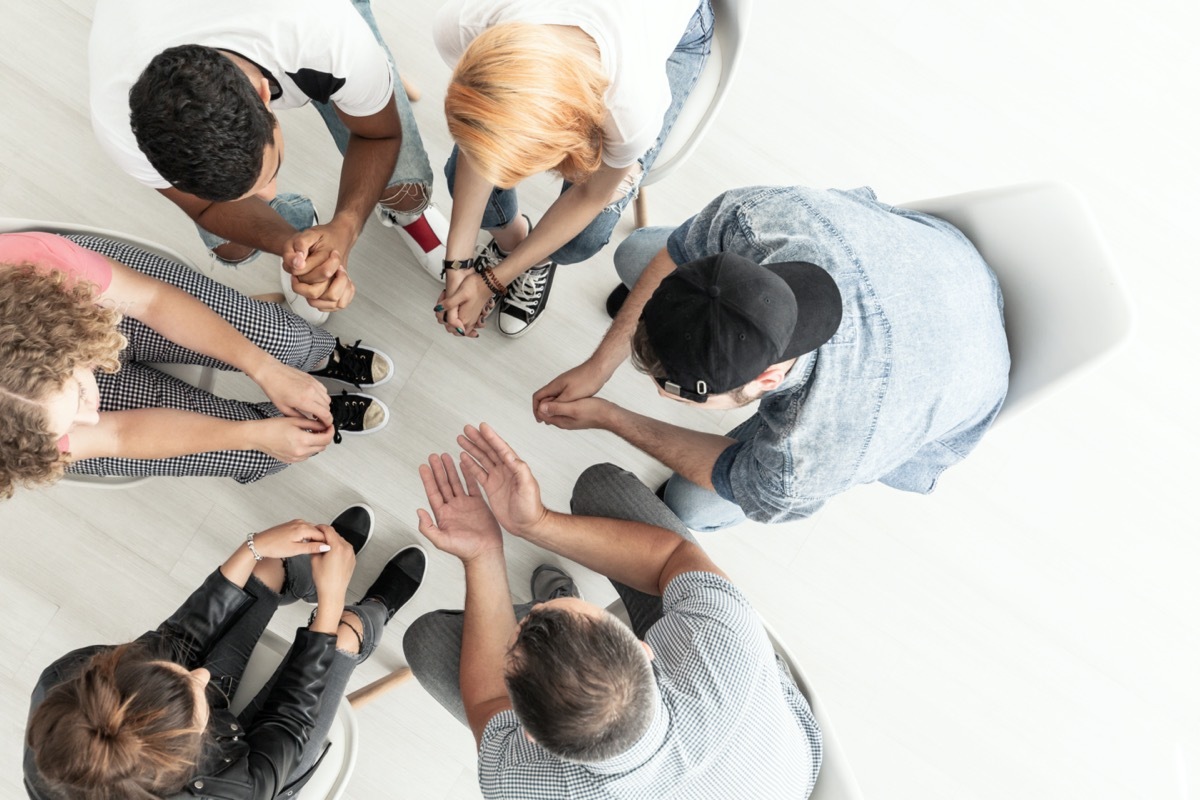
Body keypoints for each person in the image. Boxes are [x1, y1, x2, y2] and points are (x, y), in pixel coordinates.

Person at [533, 185, 1011, 530]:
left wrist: (612, 417)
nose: (659, 393)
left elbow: (743, 478)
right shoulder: (760, 219)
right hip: (949, 263)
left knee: (692, 507)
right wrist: (599, 366)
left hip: (965, 371)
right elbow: (679, 253)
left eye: (673, 392)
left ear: (766, 378)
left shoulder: (808, 457)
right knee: (640, 250)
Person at [403, 424, 822, 799]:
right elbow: (673, 557)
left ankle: (549, 654)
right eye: (558, 606)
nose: (539, 609)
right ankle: (551, 655)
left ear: (529, 735)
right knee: (602, 486)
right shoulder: (720, 638)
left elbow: (491, 699)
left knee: (425, 641)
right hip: (782, 776)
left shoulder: (520, 783)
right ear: (645, 649)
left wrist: (483, 553)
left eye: (541, 610)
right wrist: (537, 523)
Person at [23, 505, 426, 800]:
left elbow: (179, 636)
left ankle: (307, 571)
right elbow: (288, 720)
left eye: (177, 674)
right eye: (194, 689)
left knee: (265, 568)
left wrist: (252, 547)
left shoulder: (69, 685)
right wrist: (333, 599)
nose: (201, 674)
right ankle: (373, 612)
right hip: (266, 762)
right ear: (188, 754)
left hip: (176, 735)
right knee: (343, 637)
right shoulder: (232, 793)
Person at [89, 0, 448, 325]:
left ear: (264, 93)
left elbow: (380, 135)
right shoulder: (119, 124)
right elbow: (204, 210)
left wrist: (347, 226)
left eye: (269, 174)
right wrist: (299, 251)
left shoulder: (326, 32)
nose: (271, 193)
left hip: (315, 32)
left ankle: (406, 205)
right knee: (229, 247)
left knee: (404, 187)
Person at [0, 230, 392, 498]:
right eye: (66, 428)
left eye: (82, 397)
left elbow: (151, 302)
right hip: (59, 356)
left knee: (279, 341)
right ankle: (314, 415)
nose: (91, 417)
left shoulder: (38, 265)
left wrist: (265, 368)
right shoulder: (17, 433)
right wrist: (253, 435)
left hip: (76, 302)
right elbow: (115, 435)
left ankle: (318, 354)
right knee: (260, 454)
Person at [432, 0, 714, 337]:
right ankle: (514, 243)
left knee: (583, 237)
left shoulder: (629, 108)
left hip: (681, 25)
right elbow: (479, 142)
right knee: (458, 179)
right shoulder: (464, 22)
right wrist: (457, 263)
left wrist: (495, 279)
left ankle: (534, 258)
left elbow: (591, 195)